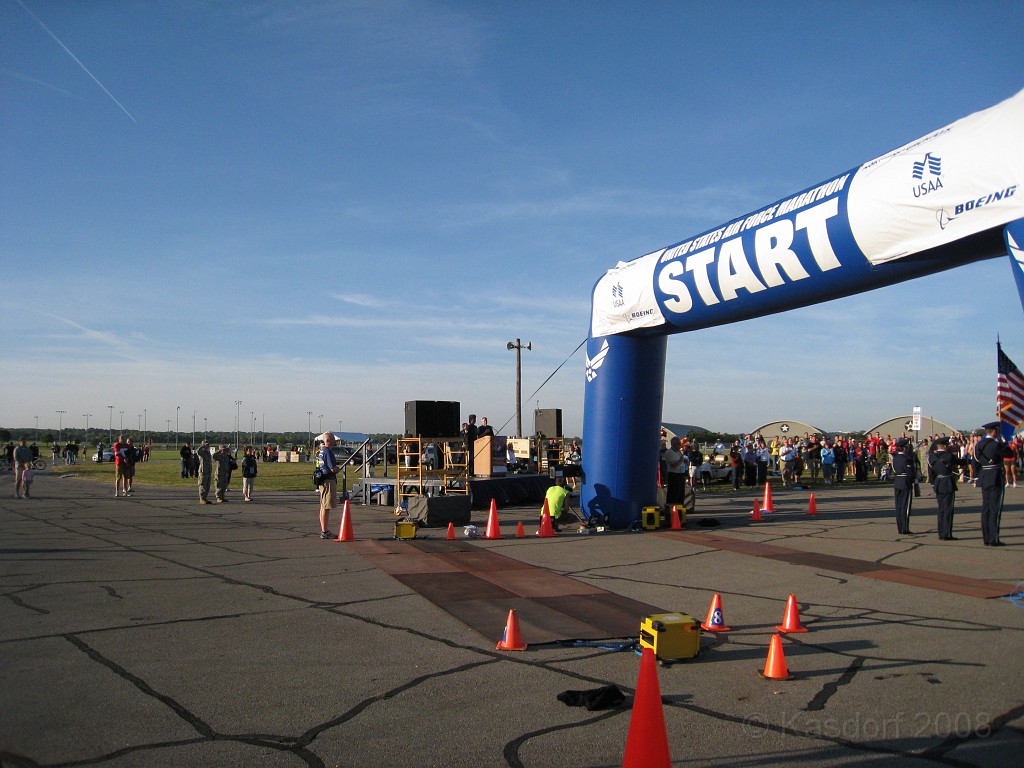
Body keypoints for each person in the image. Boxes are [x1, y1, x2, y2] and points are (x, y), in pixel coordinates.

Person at [973, 421, 1008, 546]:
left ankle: (986, 537)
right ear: (995, 431)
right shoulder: (996, 445)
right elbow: (1009, 453)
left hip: (984, 476)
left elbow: (975, 462)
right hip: (995, 476)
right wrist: (1004, 442)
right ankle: (994, 538)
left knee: (986, 508)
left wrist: (978, 475)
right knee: (994, 508)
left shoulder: (979, 445)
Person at [928, 437, 967, 540]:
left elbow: (931, 473)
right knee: (948, 509)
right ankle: (947, 533)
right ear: (945, 446)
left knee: (941, 509)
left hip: (938, 482)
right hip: (947, 482)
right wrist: (968, 461)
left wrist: (933, 483)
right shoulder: (949, 456)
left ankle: (941, 532)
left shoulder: (932, 457)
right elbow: (960, 462)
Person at [316, 431, 340, 538]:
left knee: (323, 506)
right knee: (326, 506)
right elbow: (332, 468)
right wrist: (338, 469)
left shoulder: (321, 451)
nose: (335, 441)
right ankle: (325, 531)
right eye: (333, 439)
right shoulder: (328, 452)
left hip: (322, 481)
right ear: (328, 441)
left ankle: (323, 529)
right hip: (328, 481)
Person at [891, 438, 916, 535]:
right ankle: (905, 528)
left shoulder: (895, 459)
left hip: (897, 481)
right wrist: (914, 478)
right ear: (904, 448)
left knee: (898, 505)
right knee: (905, 505)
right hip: (905, 481)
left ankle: (900, 527)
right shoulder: (906, 459)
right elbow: (910, 472)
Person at [663, 437, 687, 510]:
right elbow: (674, 465)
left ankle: (679, 509)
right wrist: (681, 460)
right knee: (674, 494)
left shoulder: (678, 452)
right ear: (674, 444)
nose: (680, 446)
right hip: (674, 475)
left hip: (681, 474)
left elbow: (682, 461)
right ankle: (672, 510)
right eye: (679, 444)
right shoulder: (669, 452)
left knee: (680, 494)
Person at [196, 440, 213, 504]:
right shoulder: (201, 452)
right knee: (202, 484)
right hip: (203, 471)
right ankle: (202, 498)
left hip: (208, 470)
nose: (208, 446)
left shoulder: (207, 452)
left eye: (208, 445)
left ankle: (205, 498)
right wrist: (202, 446)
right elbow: (197, 451)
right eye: (207, 445)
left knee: (207, 485)